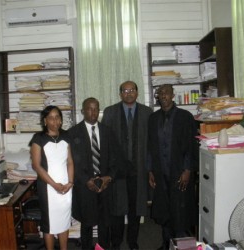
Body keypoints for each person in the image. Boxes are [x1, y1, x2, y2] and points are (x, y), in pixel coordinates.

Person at [101, 81, 153, 250]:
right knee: (117, 208)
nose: (128, 93)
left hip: (139, 169)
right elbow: (105, 143)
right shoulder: (110, 112)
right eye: (125, 90)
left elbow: (151, 144)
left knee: (135, 209)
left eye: (132, 90)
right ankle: (115, 243)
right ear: (120, 94)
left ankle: (133, 242)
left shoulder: (147, 112)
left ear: (137, 93)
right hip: (117, 171)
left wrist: (150, 169)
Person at [148, 84, 198, 250]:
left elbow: (191, 145)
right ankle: (166, 244)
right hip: (161, 172)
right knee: (165, 210)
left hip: (179, 172)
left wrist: (187, 169)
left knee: (180, 211)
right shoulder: (153, 119)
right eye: (160, 93)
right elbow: (150, 147)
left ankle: (182, 246)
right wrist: (151, 171)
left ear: (173, 95)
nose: (163, 96)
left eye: (167, 93)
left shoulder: (185, 117)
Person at [68, 97, 118, 250]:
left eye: (96, 108)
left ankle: (103, 247)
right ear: (83, 111)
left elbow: (115, 159)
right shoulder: (73, 133)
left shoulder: (107, 131)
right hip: (85, 184)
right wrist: (86, 180)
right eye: (89, 108)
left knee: (105, 222)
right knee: (87, 222)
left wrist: (108, 177)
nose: (93, 112)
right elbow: (72, 163)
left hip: (105, 183)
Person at [29, 105, 74, 250]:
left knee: (64, 221)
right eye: (51, 118)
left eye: (57, 117)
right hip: (48, 187)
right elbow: (36, 165)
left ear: (61, 120)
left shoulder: (67, 136)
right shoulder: (38, 139)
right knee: (49, 225)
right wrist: (54, 185)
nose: (55, 121)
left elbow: (70, 162)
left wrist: (70, 183)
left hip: (66, 187)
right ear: (45, 121)